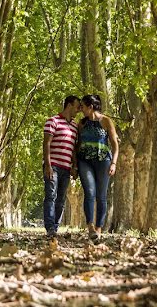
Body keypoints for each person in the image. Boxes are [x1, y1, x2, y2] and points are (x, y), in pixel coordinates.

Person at [76, 94, 119, 241]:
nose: (80, 109)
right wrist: (74, 164)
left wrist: (113, 163)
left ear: (91, 106)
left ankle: (99, 229)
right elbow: (77, 145)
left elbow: (115, 145)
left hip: (103, 161)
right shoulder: (81, 124)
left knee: (101, 196)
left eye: (83, 106)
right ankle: (90, 227)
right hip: (84, 161)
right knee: (89, 192)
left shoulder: (106, 121)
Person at [42, 95, 80, 239]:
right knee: (51, 196)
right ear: (69, 105)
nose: (78, 110)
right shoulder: (53, 121)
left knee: (61, 199)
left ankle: (55, 228)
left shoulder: (75, 126)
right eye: (77, 107)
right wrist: (48, 165)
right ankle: (50, 227)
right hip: (53, 166)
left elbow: (74, 148)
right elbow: (46, 143)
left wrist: (74, 166)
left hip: (66, 167)